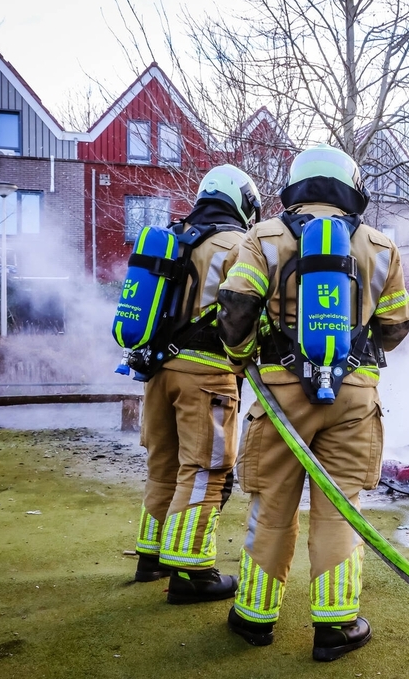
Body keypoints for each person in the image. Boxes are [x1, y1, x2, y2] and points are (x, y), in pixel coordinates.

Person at [216, 144, 409, 660]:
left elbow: (236, 306)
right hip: (353, 398)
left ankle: (254, 618)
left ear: (295, 185)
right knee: (340, 508)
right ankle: (335, 626)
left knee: (272, 506)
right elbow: (396, 327)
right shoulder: (380, 245)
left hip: (279, 395)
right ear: (351, 187)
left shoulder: (264, 237)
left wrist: (241, 357)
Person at [132, 165, 262, 605]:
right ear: (243, 203)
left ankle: (150, 557)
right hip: (206, 375)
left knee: (164, 465)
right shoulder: (240, 245)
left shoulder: (173, 237)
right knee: (205, 469)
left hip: (158, 371)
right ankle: (191, 572)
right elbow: (245, 313)